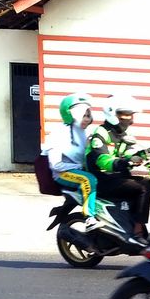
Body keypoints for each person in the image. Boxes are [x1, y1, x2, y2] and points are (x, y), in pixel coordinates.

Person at [85, 92, 150, 246]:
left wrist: (143, 154)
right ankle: (137, 232)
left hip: (116, 177)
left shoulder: (122, 133)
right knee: (143, 188)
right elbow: (103, 161)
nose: (130, 119)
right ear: (113, 113)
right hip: (102, 179)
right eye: (126, 114)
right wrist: (126, 161)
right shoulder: (100, 133)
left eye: (130, 115)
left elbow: (129, 150)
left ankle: (148, 227)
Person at [42, 92, 101, 230]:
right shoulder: (59, 133)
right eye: (83, 115)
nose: (86, 119)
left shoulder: (84, 132)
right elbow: (55, 165)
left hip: (79, 170)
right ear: (71, 114)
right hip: (62, 173)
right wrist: (78, 166)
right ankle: (89, 218)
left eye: (88, 115)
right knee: (88, 180)